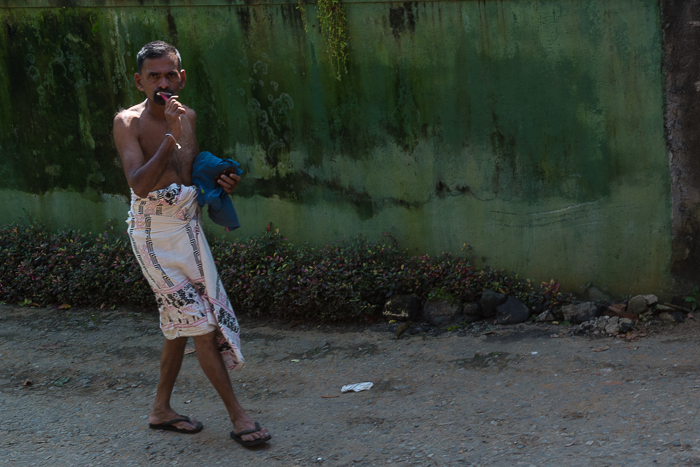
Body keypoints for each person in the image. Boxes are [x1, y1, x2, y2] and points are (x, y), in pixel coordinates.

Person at [112, 41, 271, 447]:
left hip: (188, 230)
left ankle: (160, 409)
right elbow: (140, 184)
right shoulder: (127, 122)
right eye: (154, 76)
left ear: (181, 78)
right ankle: (238, 416)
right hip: (152, 237)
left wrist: (221, 181)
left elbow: (187, 175)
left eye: (170, 75)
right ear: (139, 82)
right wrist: (171, 134)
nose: (163, 83)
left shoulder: (189, 117)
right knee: (200, 324)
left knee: (180, 322)